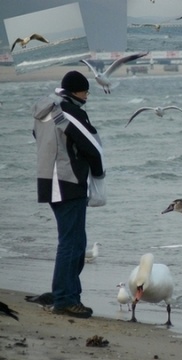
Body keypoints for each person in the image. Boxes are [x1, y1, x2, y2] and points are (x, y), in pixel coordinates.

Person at [32, 71, 105, 318]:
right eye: (85, 91)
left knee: (73, 241)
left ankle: (63, 291)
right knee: (72, 244)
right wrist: (98, 175)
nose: (87, 95)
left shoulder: (45, 109)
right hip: (67, 181)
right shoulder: (70, 111)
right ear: (75, 92)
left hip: (48, 180)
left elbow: (38, 138)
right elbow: (92, 147)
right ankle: (65, 298)